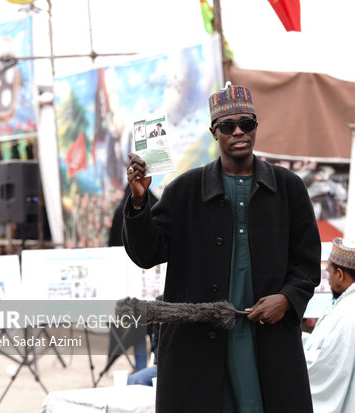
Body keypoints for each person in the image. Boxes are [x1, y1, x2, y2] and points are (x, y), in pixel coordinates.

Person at [122, 82, 321, 412]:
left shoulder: (288, 188)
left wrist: (287, 299)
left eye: (247, 124)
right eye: (228, 126)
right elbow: (147, 253)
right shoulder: (185, 190)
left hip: (267, 341)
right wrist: (140, 200)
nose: (239, 132)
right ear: (214, 132)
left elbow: (306, 262)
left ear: (257, 126)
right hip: (198, 345)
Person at [304, 238, 355, 413]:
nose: (327, 280)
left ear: (340, 274)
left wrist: (293, 350)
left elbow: (327, 364)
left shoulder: (349, 312)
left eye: (329, 273)